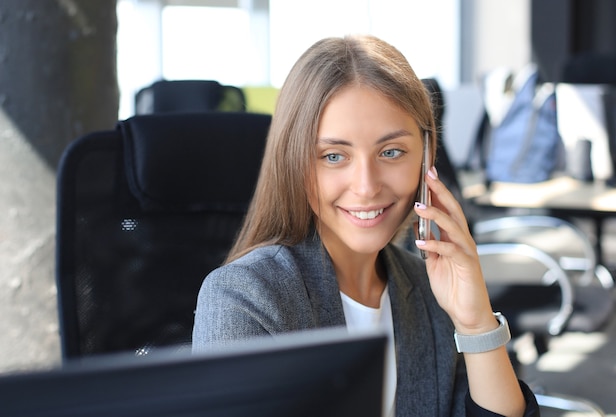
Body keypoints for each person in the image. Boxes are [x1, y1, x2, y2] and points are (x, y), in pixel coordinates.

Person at [192, 35, 539, 417]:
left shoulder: (428, 290)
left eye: (391, 152)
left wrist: (475, 322)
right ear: (295, 163)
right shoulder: (245, 298)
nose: (367, 186)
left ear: (425, 157)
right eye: (334, 156)